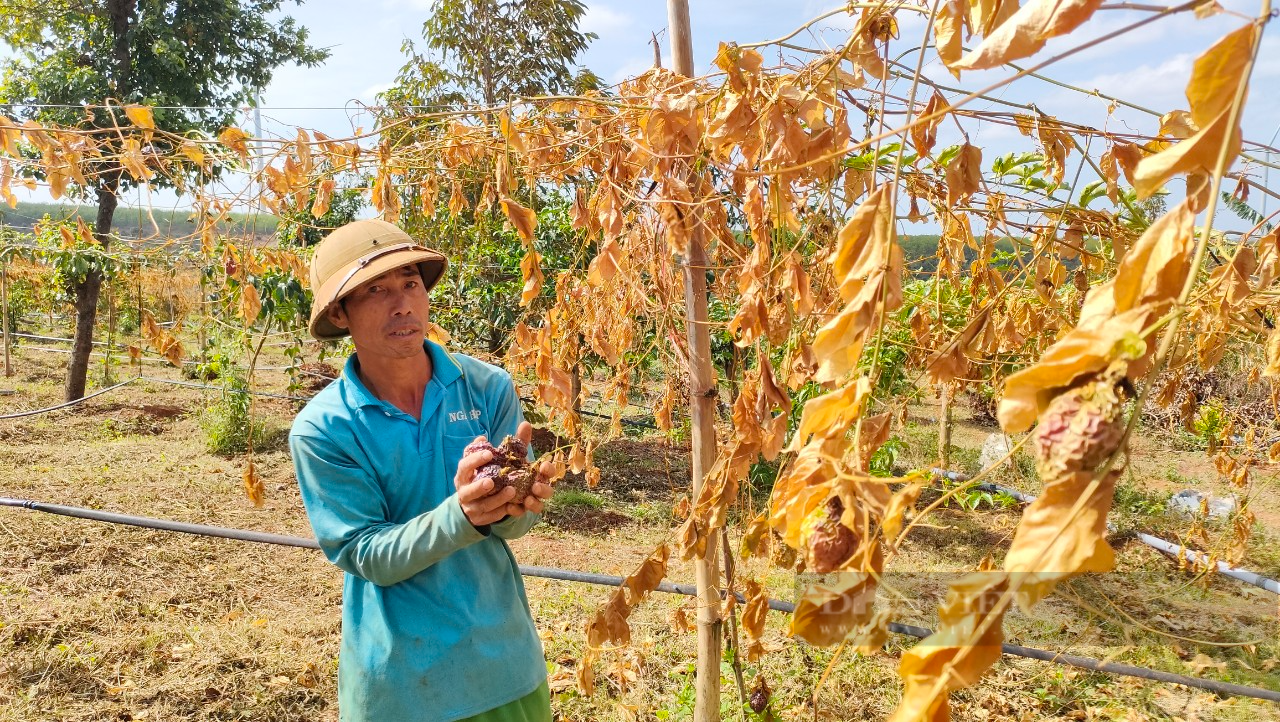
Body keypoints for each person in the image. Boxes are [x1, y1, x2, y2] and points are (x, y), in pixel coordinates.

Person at [289, 219, 556, 722]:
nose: (403, 304)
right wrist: (462, 515)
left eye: (410, 282)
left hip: (504, 666)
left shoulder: (486, 387)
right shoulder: (324, 430)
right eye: (376, 290)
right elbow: (365, 553)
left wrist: (515, 502)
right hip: (402, 688)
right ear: (341, 313)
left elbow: (514, 528)